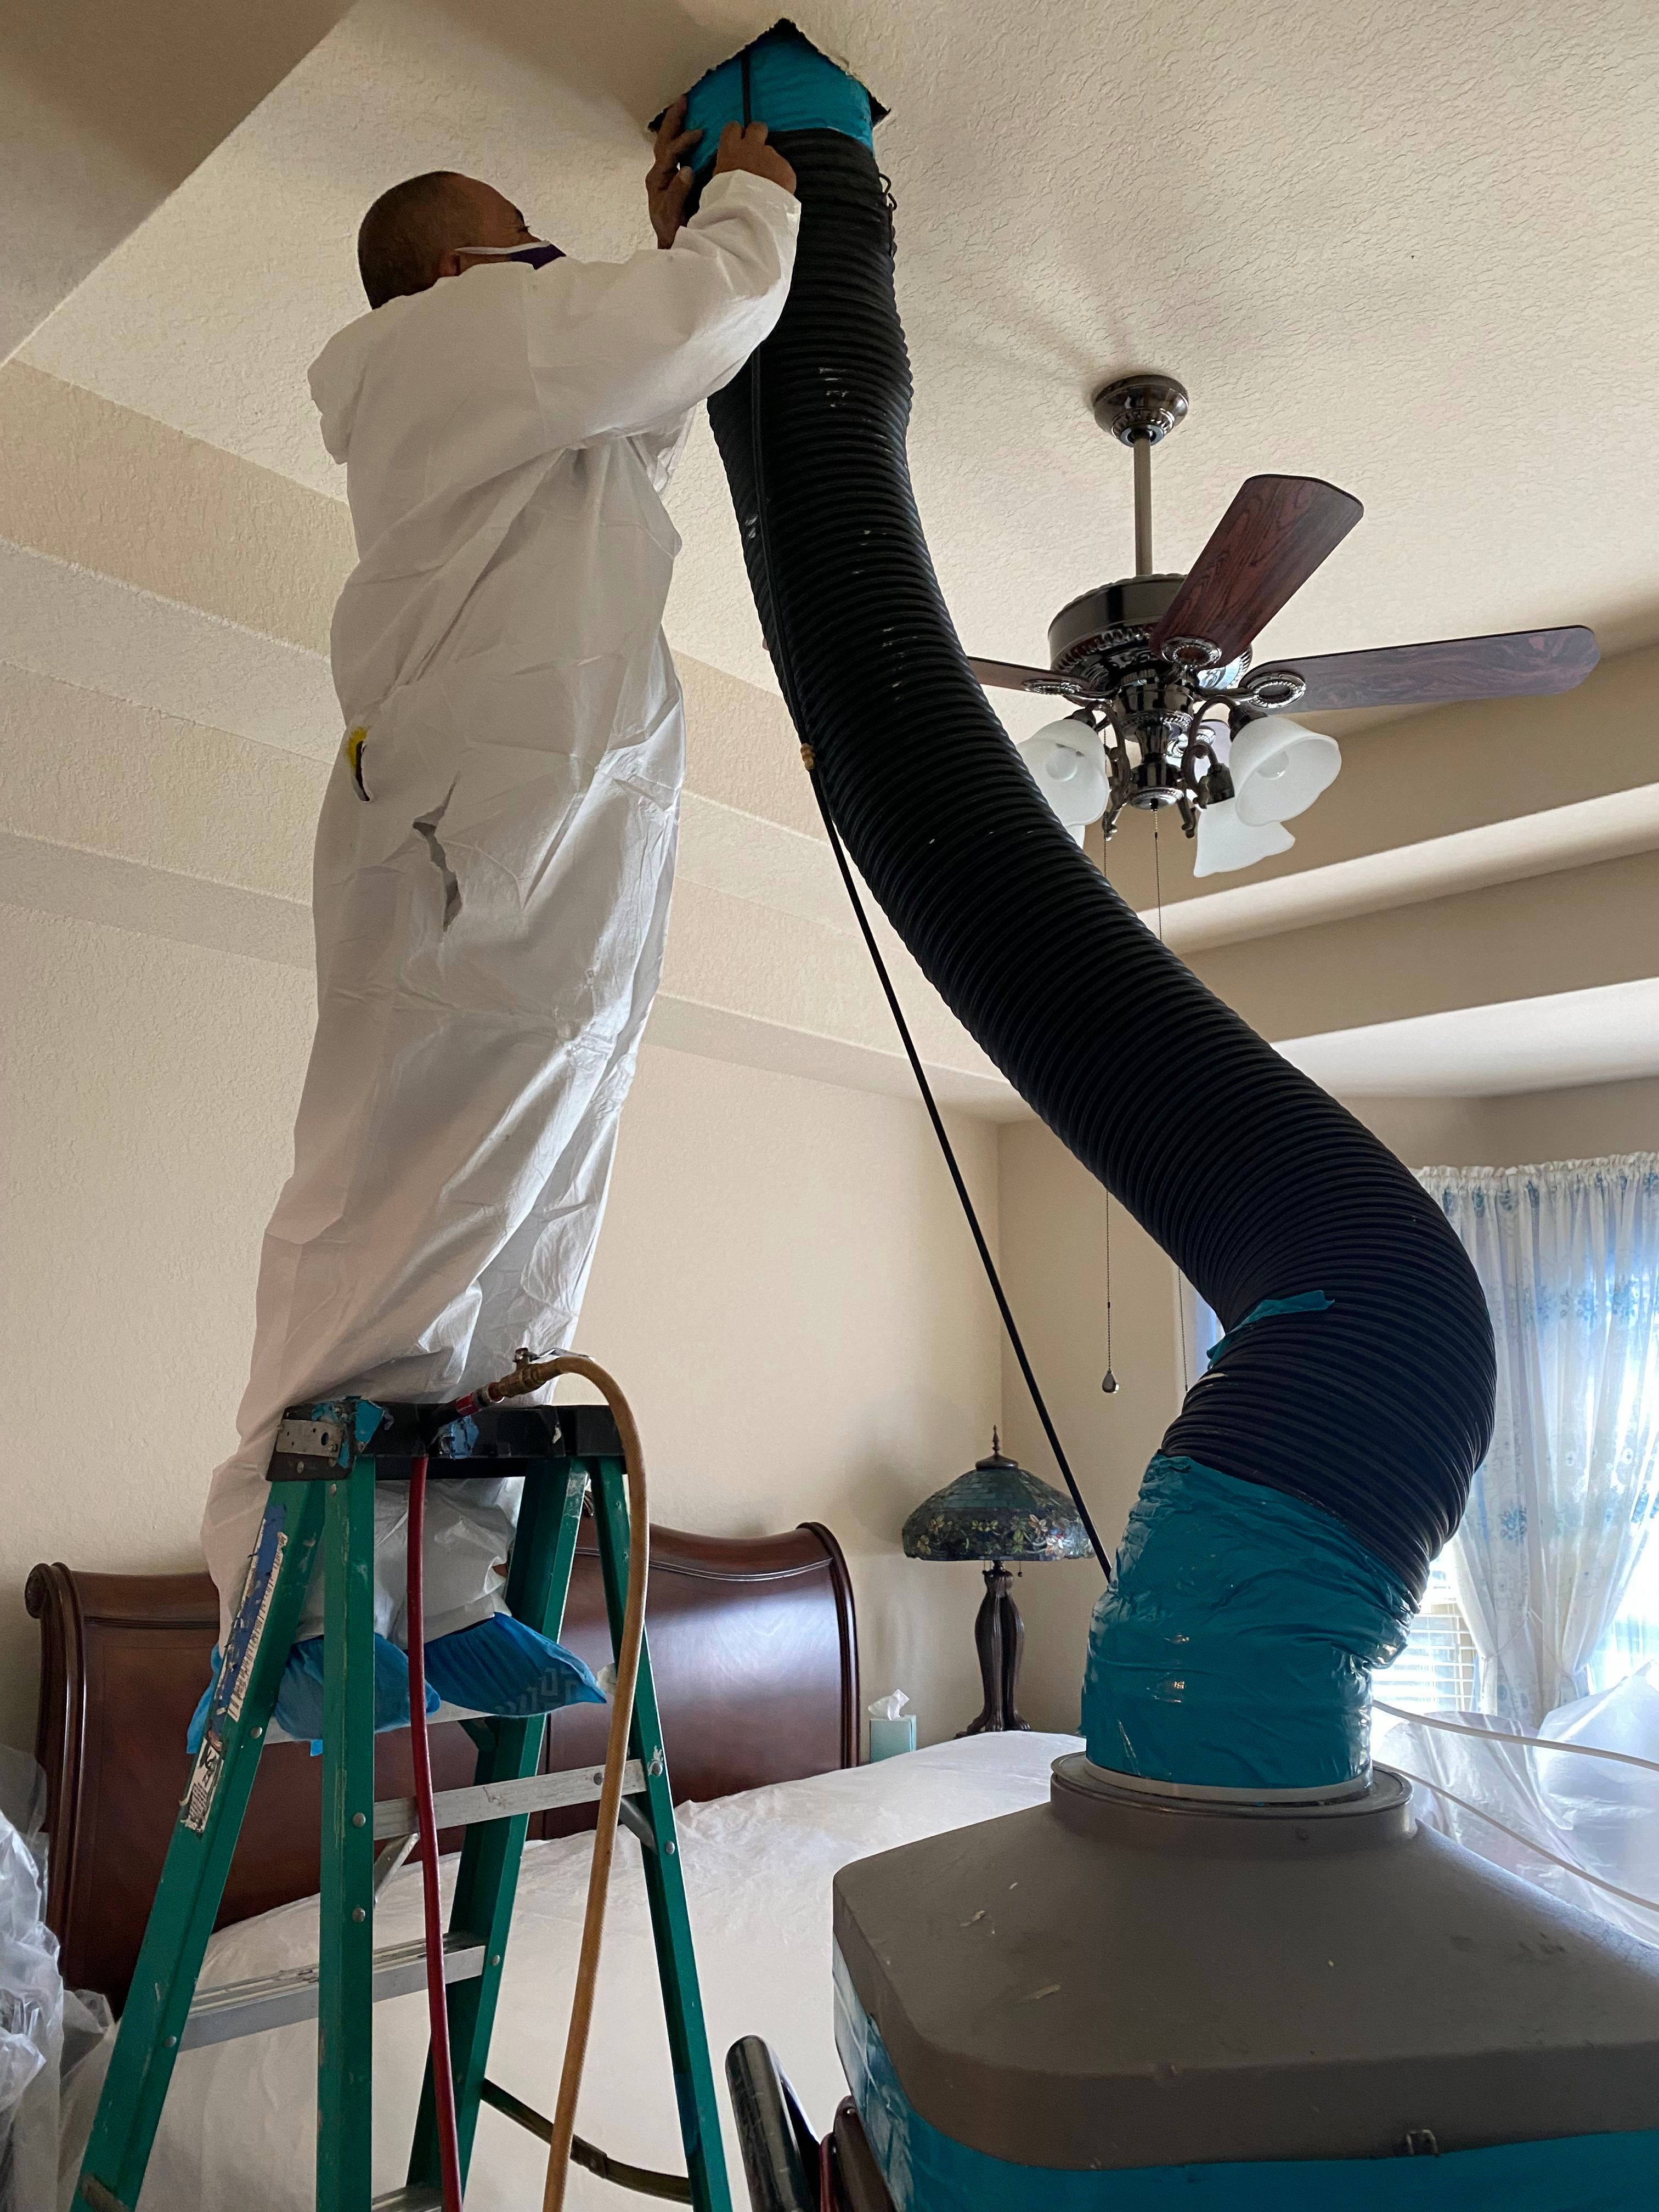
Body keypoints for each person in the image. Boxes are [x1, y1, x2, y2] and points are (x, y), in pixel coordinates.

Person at [194, 103, 799, 1743]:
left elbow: (647, 396)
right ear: (465, 263)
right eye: (526, 244)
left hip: (572, 850)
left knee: (526, 1216)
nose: (545, 266)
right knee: (396, 1195)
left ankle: (443, 1600)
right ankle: (280, 1603)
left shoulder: (522, 403)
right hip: (484, 834)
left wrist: (672, 248)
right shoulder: (443, 342)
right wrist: (747, 204)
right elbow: (698, 322)